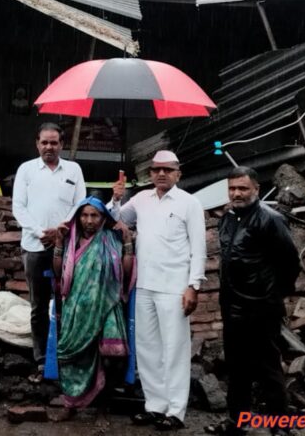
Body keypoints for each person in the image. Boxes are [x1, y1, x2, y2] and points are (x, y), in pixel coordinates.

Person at [111, 150, 205, 431]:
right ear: (149, 174)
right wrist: (116, 197)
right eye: (156, 170)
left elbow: (199, 249)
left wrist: (193, 285)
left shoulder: (190, 203)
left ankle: (175, 411)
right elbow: (117, 221)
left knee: (174, 349)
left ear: (178, 173)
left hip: (175, 287)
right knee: (148, 348)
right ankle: (154, 406)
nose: (161, 174)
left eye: (167, 170)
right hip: (145, 284)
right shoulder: (141, 199)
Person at [204, 167, 300, 436]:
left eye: (243, 188)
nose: (237, 193)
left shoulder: (271, 219)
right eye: (232, 188)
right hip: (232, 306)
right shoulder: (229, 217)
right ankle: (237, 422)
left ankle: (280, 426)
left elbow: (290, 263)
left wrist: (272, 296)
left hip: (261, 308)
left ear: (256, 189)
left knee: (268, 368)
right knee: (237, 368)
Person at [12, 122, 86, 378]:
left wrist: (60, 233)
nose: (49, 147)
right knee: (39, 305)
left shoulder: (74, 170)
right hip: (34, 247)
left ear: (62, 145)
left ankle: (66, 353)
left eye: (54, 142)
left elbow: (80, 207)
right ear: (37, 144)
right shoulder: (27, 171)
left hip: (66, 248)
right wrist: (41, 233)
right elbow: (18, 208)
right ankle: (42, 357)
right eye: (44, 142)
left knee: (68, 301)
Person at [53, 197, 134, 414]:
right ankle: (71, 404)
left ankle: (103, 405)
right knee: (70, 356)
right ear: (78, 218)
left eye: (94, 215)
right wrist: (59, 244)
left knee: (112, 356)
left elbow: (125, 272)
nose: (89, 220)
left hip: (107, 305)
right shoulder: (71, 241)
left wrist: (127, 241)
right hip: (77, 309)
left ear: (102, 218)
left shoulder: (110, 239)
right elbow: (59, 272)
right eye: (84, 215)